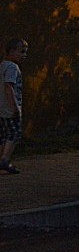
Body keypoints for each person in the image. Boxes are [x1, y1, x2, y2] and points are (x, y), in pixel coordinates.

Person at [0, 38, 26, 174]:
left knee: (4, 135)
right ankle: (4, 159)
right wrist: (15, 107)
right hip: (10, 108)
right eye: (21, 52)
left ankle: (3, 159)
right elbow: (8, 86)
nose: (24, 55)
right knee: (14, 133)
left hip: (2, 108)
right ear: (11, 51)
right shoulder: (12, 68)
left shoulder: (2, 65)